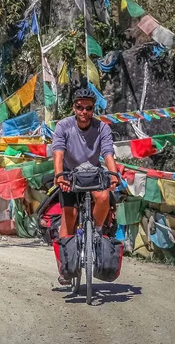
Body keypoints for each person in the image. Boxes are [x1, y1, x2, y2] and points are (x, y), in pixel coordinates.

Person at [52, 87, 119, 241]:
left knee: (103, 198)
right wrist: (59, 175)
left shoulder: (103, 128)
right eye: (80, 107)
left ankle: (95, 232)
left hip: (94, 173)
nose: (84, 112)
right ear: (73, 108)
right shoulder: (63, 126)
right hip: (69, 174)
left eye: (88, 108)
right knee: (69, 215)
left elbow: (108, 153)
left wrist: (114, 174)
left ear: (93, 109)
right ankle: (64, 261)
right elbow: (58, 153)